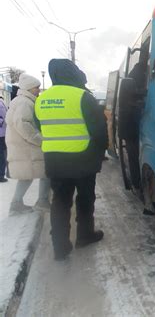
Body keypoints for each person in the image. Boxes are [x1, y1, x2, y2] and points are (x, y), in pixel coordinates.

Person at [35, 59, 108, 261]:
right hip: (82, 159)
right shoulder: (83, 97)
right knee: (85, 199)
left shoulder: (41, 99)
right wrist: (100, 152)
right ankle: (84, 235)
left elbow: (39, 126)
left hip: (54, 160)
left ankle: (60, 247)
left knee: (60, 201)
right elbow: (99, 131)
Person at [5, 74, 51, 213]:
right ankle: (40, 201)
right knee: (44, 173)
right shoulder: (25, 102)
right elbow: (22, 124)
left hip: (23, 146)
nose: (38, 90)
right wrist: (38, 138)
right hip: (28, 147)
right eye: (36, 87)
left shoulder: (21, 101)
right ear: (29, 88)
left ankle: (18, 203)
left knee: (29, 176)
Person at [0, 95, 7, 182]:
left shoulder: (2, 102)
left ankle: (1, 174)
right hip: (1, 133)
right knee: (1, 155)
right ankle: (1, 175)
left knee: (2, 154)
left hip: (2, 133)